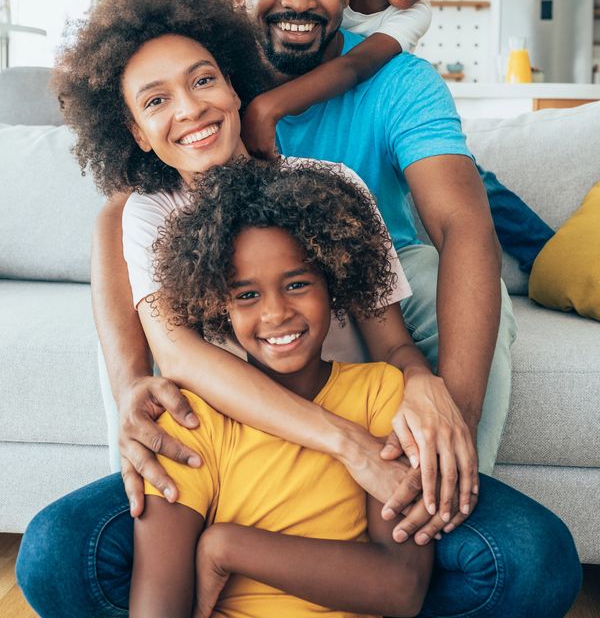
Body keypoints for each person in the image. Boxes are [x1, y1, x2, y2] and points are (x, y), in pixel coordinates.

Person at [17, 0, 580, 617]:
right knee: (55, 553)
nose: (191, 109)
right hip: (234, 466)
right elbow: (180, 360)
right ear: (137, 132)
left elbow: (392, 340)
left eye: (203, 81)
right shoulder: (145, 215)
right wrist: (350, 447)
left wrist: (423, 384)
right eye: (155, 102)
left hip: (360, 464)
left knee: (533, 560)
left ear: (233, 84)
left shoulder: (328, 185)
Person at [131, 157, 434, 618]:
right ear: (217, 305)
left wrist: (223, 547)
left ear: (333, 285)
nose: (275, 314)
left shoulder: (381, 394)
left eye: (296, 284)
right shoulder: (190, 421)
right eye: (247, 294)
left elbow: (402, 588)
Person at [240, 0, 554, 272]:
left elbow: (354, 66)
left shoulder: (411, 15)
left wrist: (269, 107)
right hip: (339, 118)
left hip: (380, 110)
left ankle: (549, 256)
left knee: (473, 184)